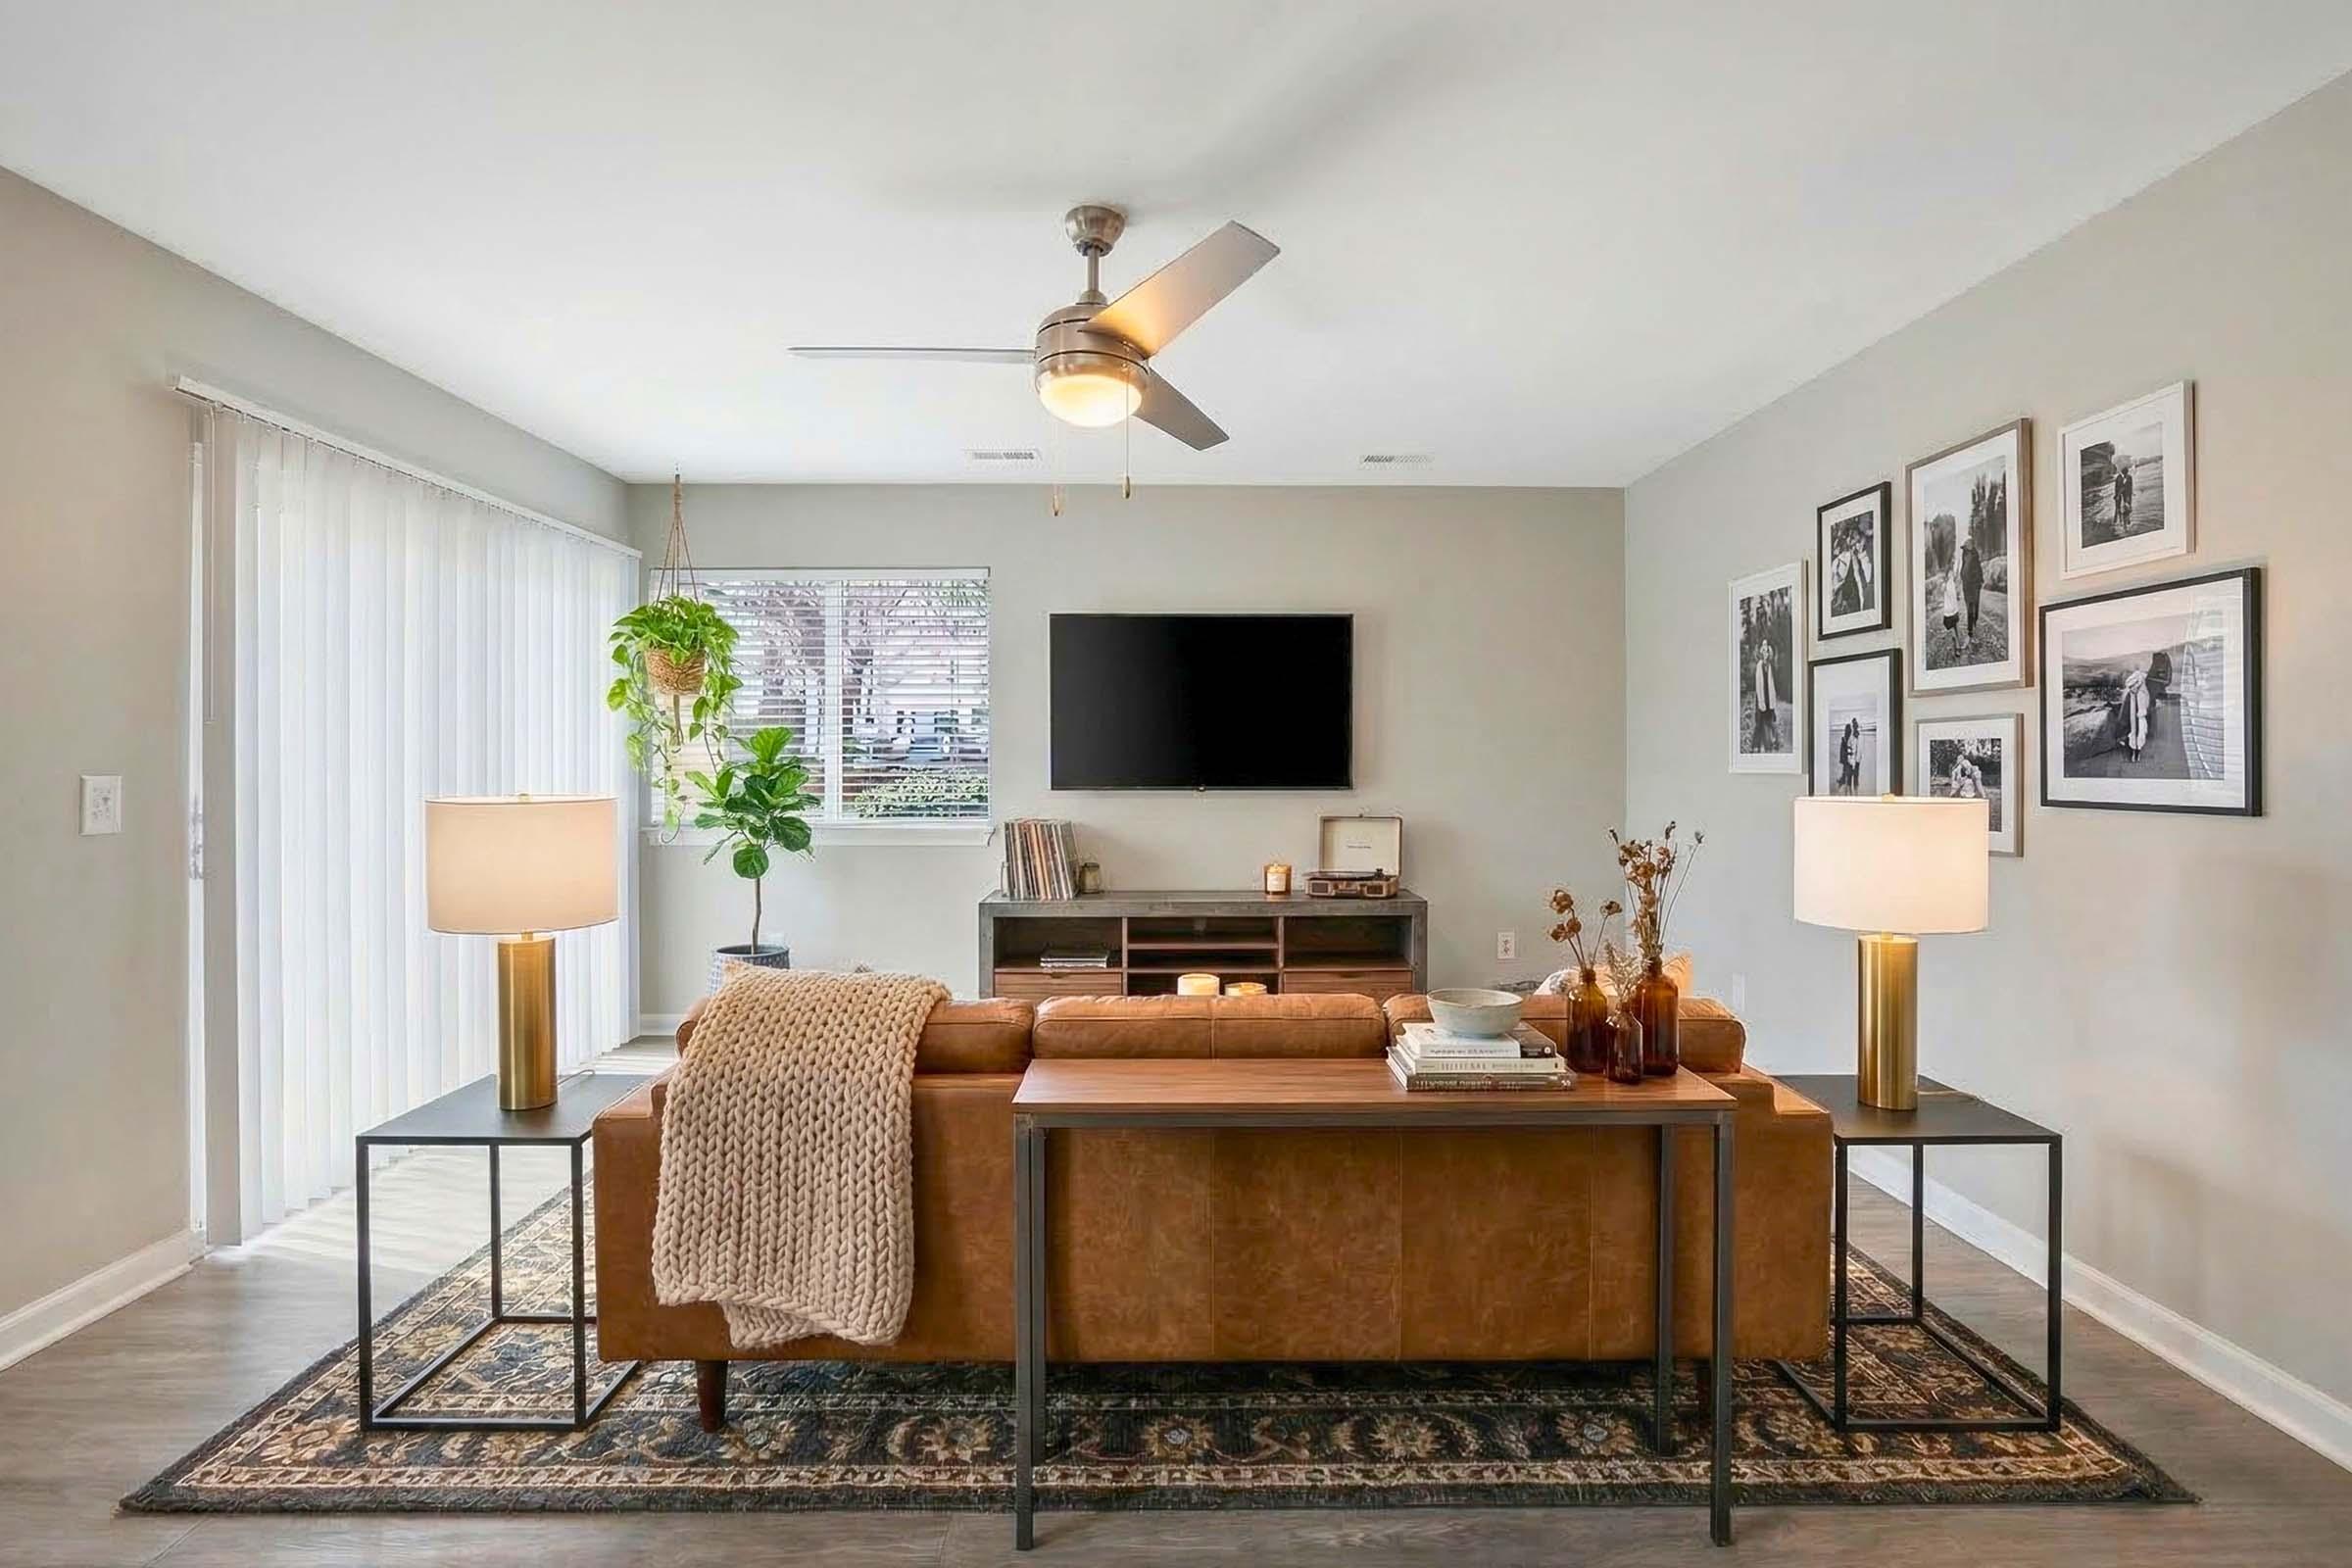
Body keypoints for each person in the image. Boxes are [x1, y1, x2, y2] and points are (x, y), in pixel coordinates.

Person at [1750, 638, 1780, 752]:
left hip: (1768, 697)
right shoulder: (1760, 665)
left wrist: (1773, 698)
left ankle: (1771, 743)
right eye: (1763, 651)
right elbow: (1758, 684)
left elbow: (1772, 683)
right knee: (1759, 722)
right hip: (1761, 697)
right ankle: (1755, 746)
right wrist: (1761, 702)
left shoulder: (1770, 666)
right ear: (1761, 652)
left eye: (1767, 651)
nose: (1765, 653)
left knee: (1769, 721)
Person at [2119, 666, 2152, 763]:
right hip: (2131, 720)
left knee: (2140, 734)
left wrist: (2142, 713)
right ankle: (2132, 753)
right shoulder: (2130, 696)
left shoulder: (2143, 694)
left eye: (2134, 686)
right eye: (2131, 687)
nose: (2132, 689)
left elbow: (2146, 706)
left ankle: (2137, 753)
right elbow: (2125, 711)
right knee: (2132, 735)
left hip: (2139, 718)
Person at [1959, 537, 1985, 642]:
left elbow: (1979, 568)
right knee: (1969, 606)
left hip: (1975, 584)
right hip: (1966, 585)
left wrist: (1980, 580)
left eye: (1969, 544)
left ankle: (1973, 623)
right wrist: (1962, 576)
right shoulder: (1964, 554)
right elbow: (1963, 566)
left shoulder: (1975, 555)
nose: (1967, 546)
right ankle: (1970, 628)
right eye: (1966, 545)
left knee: (1975, 605)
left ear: (1972, 545)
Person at [1838, 716, 1860, 793]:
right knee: (1847, 772)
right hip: (1846, 758)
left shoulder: (1847, 738)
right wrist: (1849, 753)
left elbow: (1845, 749)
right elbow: (1844, 750)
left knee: (1847, 772)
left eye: (1850, 729)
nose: (1849, 730)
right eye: (1849, 729)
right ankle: (1846, 785)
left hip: (1847, 758)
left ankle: (1845, 784)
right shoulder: (1845, 739)